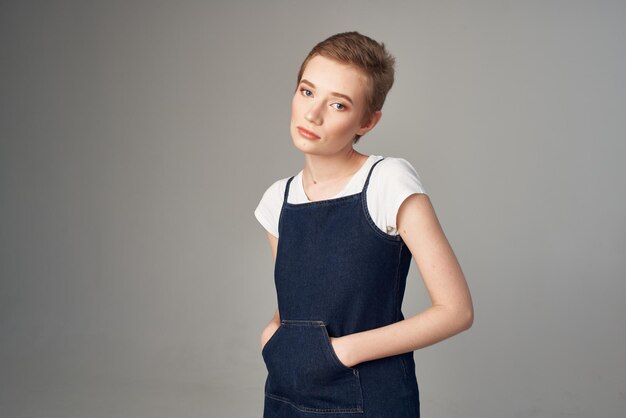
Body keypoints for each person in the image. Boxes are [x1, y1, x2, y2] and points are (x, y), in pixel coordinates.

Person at [254, 31, 473, 418]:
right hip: (286, 393)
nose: (312, 114)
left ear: (367, 122)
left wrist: (342, 351)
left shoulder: (388, 181)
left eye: (338, 105)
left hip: (369, 396)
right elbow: (290, 305)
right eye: (307, 92)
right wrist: (273, 339)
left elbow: (455, 311)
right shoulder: (278, 199)